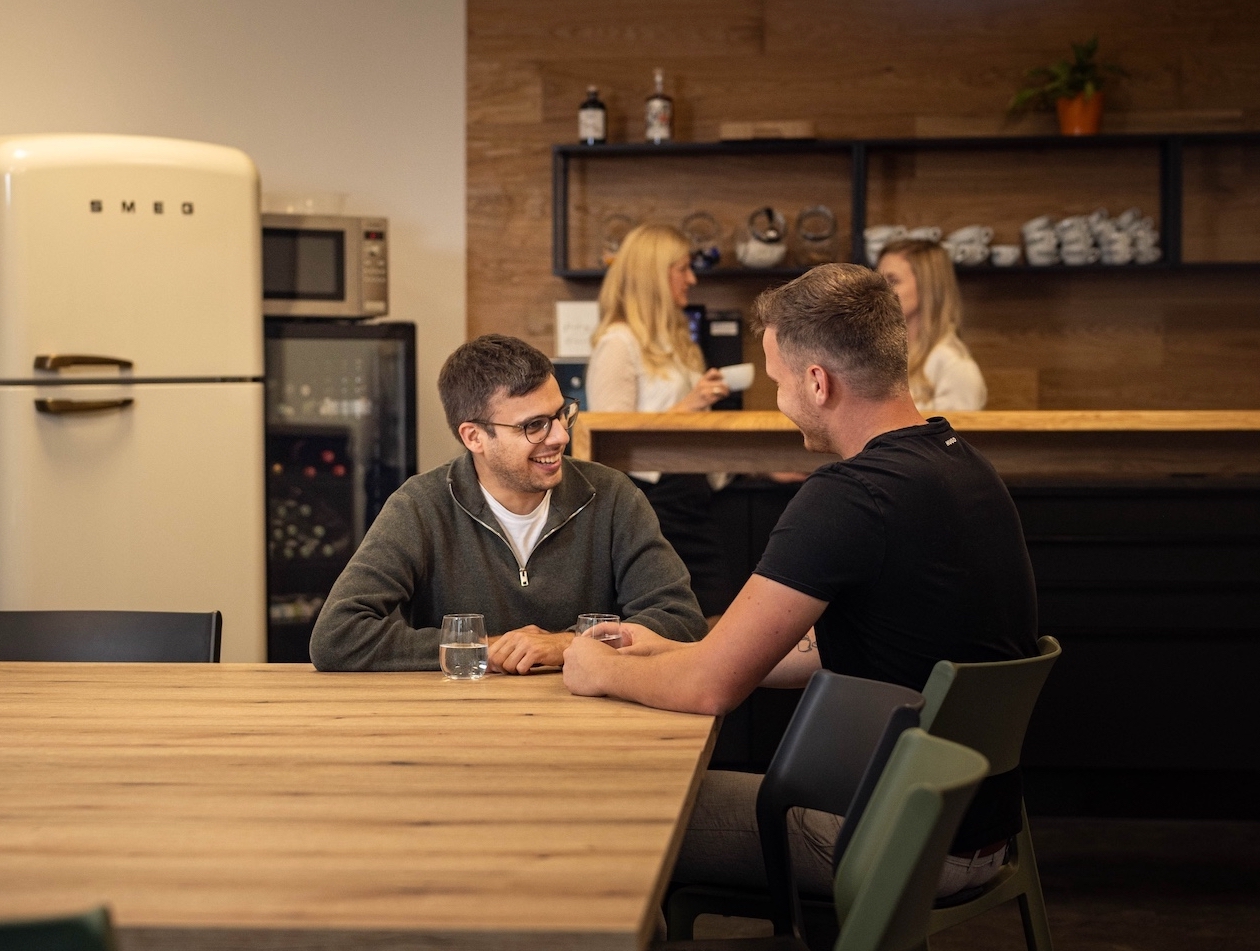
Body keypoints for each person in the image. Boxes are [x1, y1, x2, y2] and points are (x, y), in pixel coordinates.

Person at [563, 261, 1038, 902]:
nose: (779, 400)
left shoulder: (850, 496)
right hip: (972, 827)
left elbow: (710, 691)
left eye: (777, 382)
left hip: (893, 839)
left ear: (817, 382)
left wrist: (593, 668)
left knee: (614, 812)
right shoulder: (963, 467)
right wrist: (677, 650)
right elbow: (839, 648)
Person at [310, 333, 707, 674]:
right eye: (533, 426)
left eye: (561, 415)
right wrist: (486, 648)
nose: (559, 437)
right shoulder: (420, 507)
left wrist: (569, 644)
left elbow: (680, 620)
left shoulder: (613, 496)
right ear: (474, 437)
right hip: (457, 729)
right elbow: (338, 635)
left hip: (589, 723)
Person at [587, 224, 736, 615]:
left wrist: (768, 468)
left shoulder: (680, 344)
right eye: (682, 268)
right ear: (654, 274)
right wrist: (689, 404)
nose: (692, 279)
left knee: (714, 613)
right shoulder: (618, 344)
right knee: (675, 616)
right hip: (653, 504)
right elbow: (607, 442)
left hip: (694, 496)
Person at [875, 238, 987, 413]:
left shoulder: (954, 366)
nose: (878, 292)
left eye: (892, 280)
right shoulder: (878, 357)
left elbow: (952, 439)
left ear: (927, 287)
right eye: (878, 281)